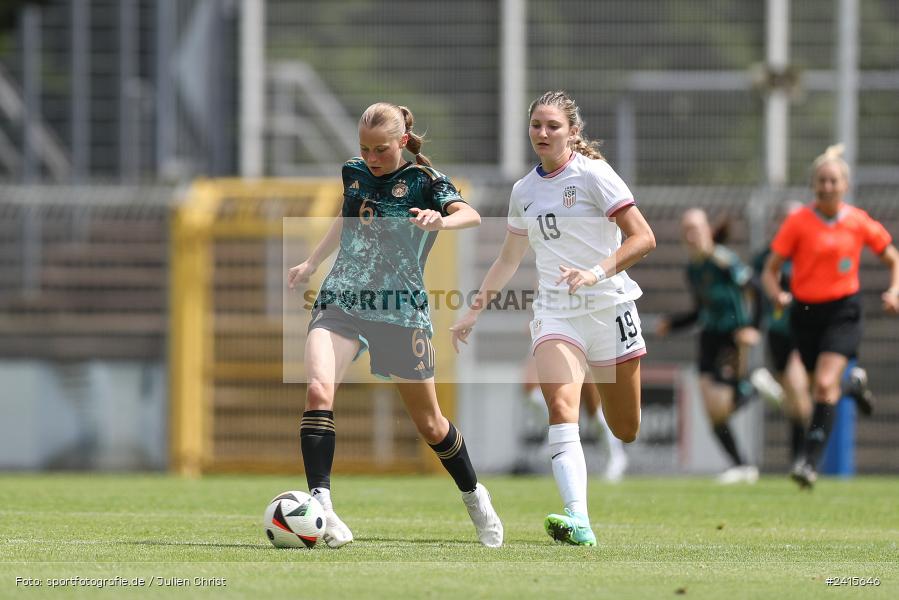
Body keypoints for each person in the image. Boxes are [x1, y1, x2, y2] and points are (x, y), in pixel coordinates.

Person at [287, 102, 503, 547]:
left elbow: (472, 215)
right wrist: (311, 262)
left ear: (402, 142)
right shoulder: (353, 172)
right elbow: (346, 220)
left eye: (380, 149)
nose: (371, 158)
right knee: (317, 390)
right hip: (341, 297)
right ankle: (322, 508)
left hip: (399, 310)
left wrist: (439, 217)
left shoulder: (426, 182)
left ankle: (475, 496)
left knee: (431, 425)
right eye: (364, 149)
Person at [451, 90, 656, 546]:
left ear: (573, 132)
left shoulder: (594, 175)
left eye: (553, 126)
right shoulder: (524, 191)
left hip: (609, 308)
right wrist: (472, 312)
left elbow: (643, 238)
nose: (542, 133)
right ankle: (578, 520)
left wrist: (595, 272)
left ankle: (602, 472)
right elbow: (507, 260)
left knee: (627, 427)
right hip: (556, 312)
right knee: (561, 410)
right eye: (536, 125)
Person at [762, 144, 899, 490]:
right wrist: (777, 292)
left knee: (823, 386)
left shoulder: (857, 221)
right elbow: (770, 269)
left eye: (833, 181)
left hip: (844, 311)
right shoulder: (798, 222)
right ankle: (853, 385)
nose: (827, 186)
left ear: (845, 185)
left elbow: (892, 258)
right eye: (821, 181)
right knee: (817, 389)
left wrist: (894, 291)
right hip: (805, 313)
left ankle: (808, 462)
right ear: (813, 185)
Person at [656, 209, 761, 485]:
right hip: (708, 337)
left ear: (707, 230)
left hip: (731, 337)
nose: (692, 235)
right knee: (710, 409)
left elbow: (757, 290)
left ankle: (752, 388)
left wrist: (752, 327)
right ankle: (741, 466)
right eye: (687, 230)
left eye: (696, 229)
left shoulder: (724, 261)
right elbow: (700, 310)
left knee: (719, 406)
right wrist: (674, 324)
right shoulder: (693, 269)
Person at [522, 355, 629, 481]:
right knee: (532, 391)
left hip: (582, 347)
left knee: (594, 413)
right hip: (551, 342)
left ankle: (615, 457)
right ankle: (553, 434)